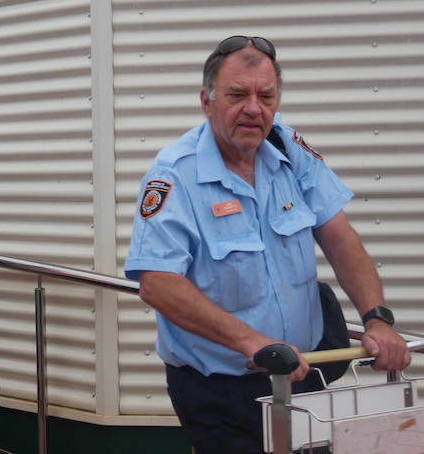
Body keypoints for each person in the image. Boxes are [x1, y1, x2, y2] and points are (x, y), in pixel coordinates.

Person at [123, 35, 411, 453]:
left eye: (266, 96)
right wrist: (253, 343)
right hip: (219, 388)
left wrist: (377, 318)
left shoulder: (288, 148)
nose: (254, 109)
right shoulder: (175, 174)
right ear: (206, 101)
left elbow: (340, 237)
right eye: (237, 94)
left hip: (303, 377)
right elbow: (157, 282)